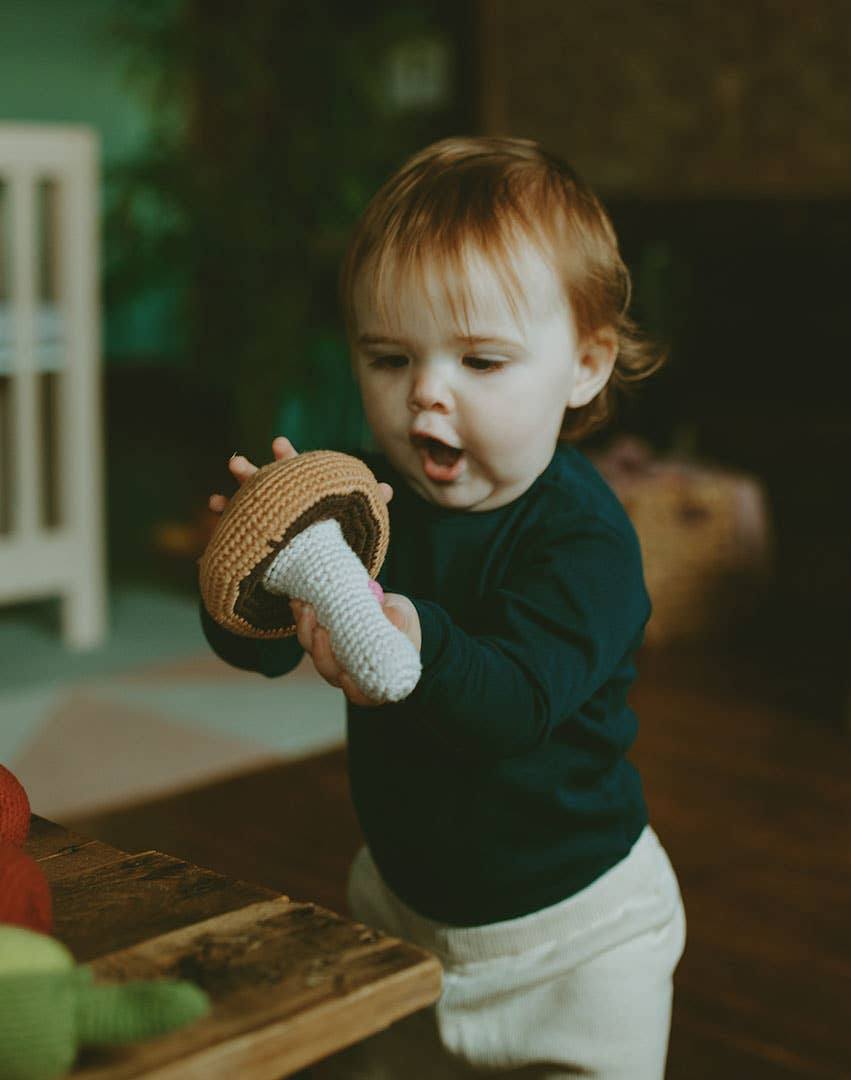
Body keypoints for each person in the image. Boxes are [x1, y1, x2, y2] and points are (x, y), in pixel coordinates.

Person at [201, 136, 685, 1079]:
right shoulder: (369, 499)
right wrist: (250, 570)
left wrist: (420, 643)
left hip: (579, 940)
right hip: (403, 913)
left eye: (482, 361)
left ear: (584, 367)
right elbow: (256, 653)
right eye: (389, 357)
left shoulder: (585, 542)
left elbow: (515, 703)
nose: (426, 393)